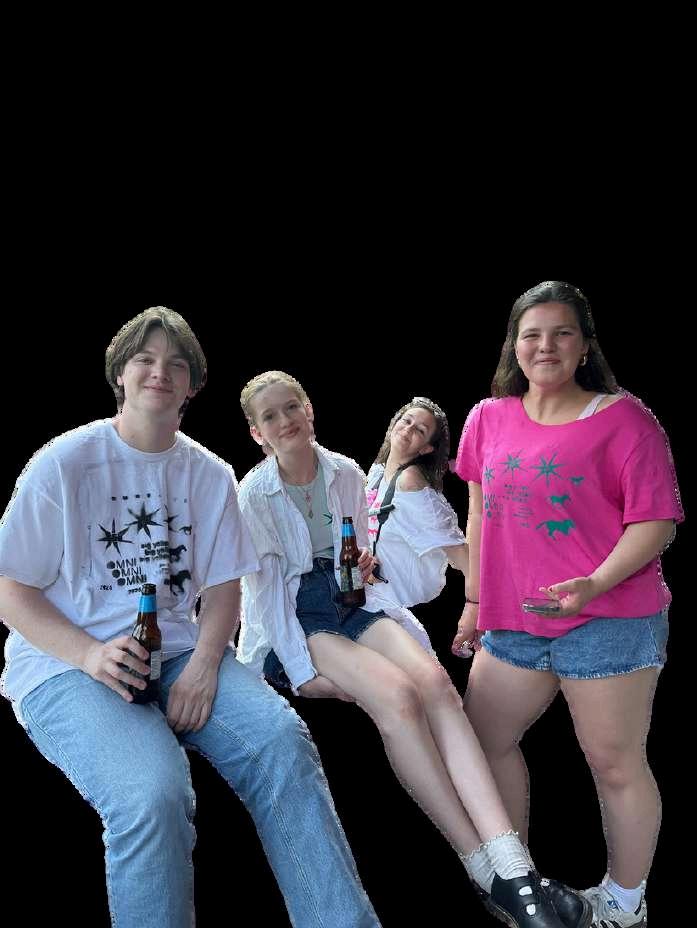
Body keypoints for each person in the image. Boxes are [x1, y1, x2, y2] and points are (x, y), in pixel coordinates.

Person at [0, 308, 380, 928]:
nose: (160, 372)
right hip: (66, 664)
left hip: (179, 653)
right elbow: (11, 590)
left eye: (176, 364)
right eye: (145, 360)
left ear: (192, 385)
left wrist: (205, 665)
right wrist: (90, 655)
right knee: (152, 793)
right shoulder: (63, 463)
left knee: (282, 742)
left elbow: (225, 585)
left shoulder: (208, 473)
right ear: (120, 374)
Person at [236, 370, 592, 928]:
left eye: (292, 407)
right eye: (270, 416)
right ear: (257, 433)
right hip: (298, 616)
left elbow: (361, 553)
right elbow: (263, 597)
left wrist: (368, 571)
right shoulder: (255, 494)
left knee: (436, 685)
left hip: (355, 597)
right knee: (400, 697)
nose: (286, 421)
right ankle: (486, 869)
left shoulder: (346, 471)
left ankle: (515, 866)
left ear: (309, 409)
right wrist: (301, 672)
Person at [452, 280, 683, 928]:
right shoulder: (486, 418)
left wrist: (593, 583)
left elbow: (655, 522)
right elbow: (479, 512)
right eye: (531, 334)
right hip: (512, 622)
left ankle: (623, 904)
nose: (545, 346)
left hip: (608, 620)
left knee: (613, 763)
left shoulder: (626, 420)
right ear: (514, 346)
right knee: (481, 743)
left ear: (584, 346)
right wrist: (474, 600)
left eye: (561, 333)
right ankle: (516, 879)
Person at [364, 396, 470, 623]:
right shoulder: (378, 472)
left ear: (426, 448)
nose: (408, 429)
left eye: (420, 430)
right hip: (379, 603)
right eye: (407, 420)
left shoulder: (409, 482)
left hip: (411, 613)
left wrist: (477, 607)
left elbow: (461, 554)